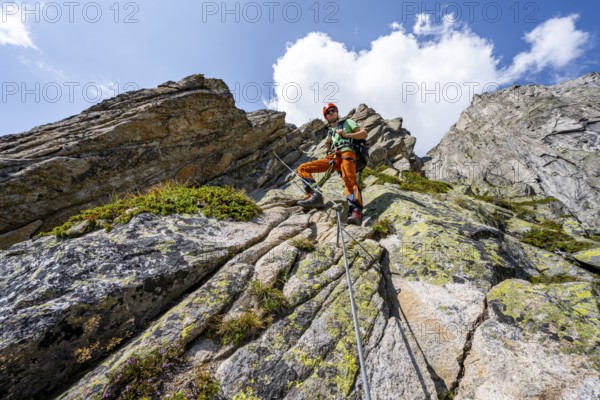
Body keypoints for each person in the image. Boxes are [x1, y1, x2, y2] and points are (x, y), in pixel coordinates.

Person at [297, 103, 368, 225]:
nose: (331, 113)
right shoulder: (330, 132)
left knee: (349, 180)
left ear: (337, 112)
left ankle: (356, 213)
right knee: (303, 168)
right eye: (328, 112)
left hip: (347, 153)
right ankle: (316, 195)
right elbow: (329, 147)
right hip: (333, 157)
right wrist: (328, 145)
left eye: (333, 110)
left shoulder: (348, 122)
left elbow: (364, 134)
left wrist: (346, 135)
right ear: (326, 117)